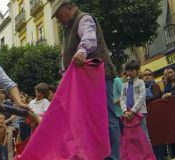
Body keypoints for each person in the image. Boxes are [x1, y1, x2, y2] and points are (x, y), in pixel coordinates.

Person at [51, 1, 118, 158]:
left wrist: (82, 51)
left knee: (108, 117)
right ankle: (100, 154)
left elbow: (89, 37)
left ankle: (113, 156)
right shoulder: (67, 28)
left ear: (68, 7)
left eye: (59, 15)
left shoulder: (84, 18)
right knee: (90, 119)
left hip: (99, 76)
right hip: (86, 81)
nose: (58, 20)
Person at [120, 60, 150, 140]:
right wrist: (124, 111)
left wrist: (133, 111)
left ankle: (148, 153)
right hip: (128, 114)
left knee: (144, 135)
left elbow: (142, 97)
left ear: (137, 71)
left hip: (140, 112)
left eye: (132, 70)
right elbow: (122, 99)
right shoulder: (124, 85)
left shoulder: (140, 82)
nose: (130, 72)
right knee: (132, 138)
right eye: (128, 70)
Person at [0, 89, 16, 160]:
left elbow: (14, 114)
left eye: (2, 93)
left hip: (9, 126)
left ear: (5, 95)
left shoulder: (9, 103)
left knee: (9, 145)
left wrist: (7, 120)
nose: (1, 95)